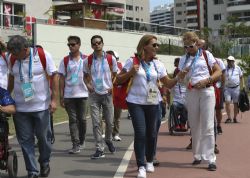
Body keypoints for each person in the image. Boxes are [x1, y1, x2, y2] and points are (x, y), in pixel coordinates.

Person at [116, 34, 185, 178]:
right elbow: (117, 80)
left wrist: (179, 77)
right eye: (154, 45)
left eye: (157, 45)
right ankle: (141, 165)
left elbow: (168, 83)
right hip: (135, 102)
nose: (157, 48)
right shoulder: (132, 61)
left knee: (152, 133)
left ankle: (149, 161)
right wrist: (130, 72)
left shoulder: (158, 64)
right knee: (141, 133)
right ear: (144, 46)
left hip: (153, 102)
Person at [7, 35, 58, 178]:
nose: (14, 57)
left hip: (41, 107)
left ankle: (44, 162)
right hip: (20, 109)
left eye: (16, 54)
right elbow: (11, 78)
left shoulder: (43, 55)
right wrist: (5, 97)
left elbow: (54, 76)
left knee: (44, 138)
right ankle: (32, 171)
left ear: (25, 49)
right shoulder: (13, 59)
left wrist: (54, 100)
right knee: (25, 140)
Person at [179, 32, 221, 171]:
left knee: (208, 125)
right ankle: (197, 155)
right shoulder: (183, 59)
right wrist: (182, 75)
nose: (188, 49)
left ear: (196, 44)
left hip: (207, 91)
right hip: (191, 93)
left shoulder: (206, 55)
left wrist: (207, 80)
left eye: (190, 46)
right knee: (195, 125)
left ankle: (211, 158)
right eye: (185, 46)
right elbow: (180, 80)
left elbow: (218, 71)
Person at [83, 35, 118, 159]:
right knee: (96, 123)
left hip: (107, 94)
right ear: (92, 46)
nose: (97, 45)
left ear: (102, 44)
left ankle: (108, 139)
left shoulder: (110, 58)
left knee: (109, 122)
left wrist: (111, 86)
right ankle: (99, 148)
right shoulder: (87, 60)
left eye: (99, 43)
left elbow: (115, 74)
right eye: (94, 43)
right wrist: (88, 85)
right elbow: (84, 75)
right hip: (94, 95)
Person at [58, 36, 88, 154]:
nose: (70, 46)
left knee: (82, 120)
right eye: (69, 45)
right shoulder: (65, 60)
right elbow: (61, 78)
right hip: (69, 95)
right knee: (73, 120)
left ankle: (82, 140)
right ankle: (75, 144)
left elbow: (90, 75)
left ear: (79, 45)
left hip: (83, 93)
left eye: (73, 44)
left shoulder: (86, 59)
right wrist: (61, 96)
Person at [106, 50, 122, 141]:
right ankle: (105, 133)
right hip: (107, 94)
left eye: (113, 57)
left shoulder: (121, 66)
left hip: (117, 95)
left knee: (117, 116)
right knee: (106, 116)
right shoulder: (103, 65)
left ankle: (115, 133)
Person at [224, 56, 243, 123]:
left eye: (231, 61)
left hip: (236, 88)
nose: (229, 62)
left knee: (235, 103)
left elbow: (241, 77)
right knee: (227, 102)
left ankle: (235, 118)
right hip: (227, 88)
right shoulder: (225, 68)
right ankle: (229, 118)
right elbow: (222, 77)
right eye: (228, 60)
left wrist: (242, 87)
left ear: (233, 61)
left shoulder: (238, 68)